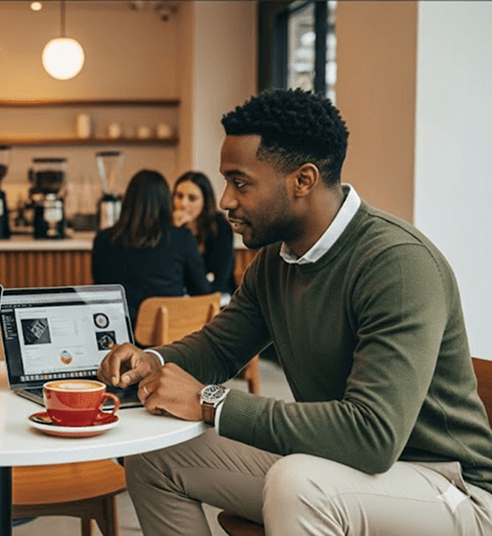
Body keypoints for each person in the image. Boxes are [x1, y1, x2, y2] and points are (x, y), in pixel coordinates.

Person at [98, 88, 492, 535]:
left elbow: (373, 436)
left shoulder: (398, 264)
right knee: (154, 455)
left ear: (302, 180)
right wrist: (153, 360)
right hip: (338, 468)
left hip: (448, 487)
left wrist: (210, 401)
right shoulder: (276, 261)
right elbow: (219, 348)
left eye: (240, 182)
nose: (225, 200)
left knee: (298, 483)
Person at [92, 169, 212, 327]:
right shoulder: (181, 239)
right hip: (169, 334)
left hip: (118, 332)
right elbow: (202, 292)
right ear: (166, 202)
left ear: (128, 201)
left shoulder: (103, 240)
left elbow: (100, 290)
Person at [172, 171, 237, 295]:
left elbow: (220, 277)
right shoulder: (169, 227)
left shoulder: (220, 227)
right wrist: (176, 232)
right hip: (181, 297)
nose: (183, 204)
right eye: (179, 196)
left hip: (217, 295)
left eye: (192, 198)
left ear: (205, 201)